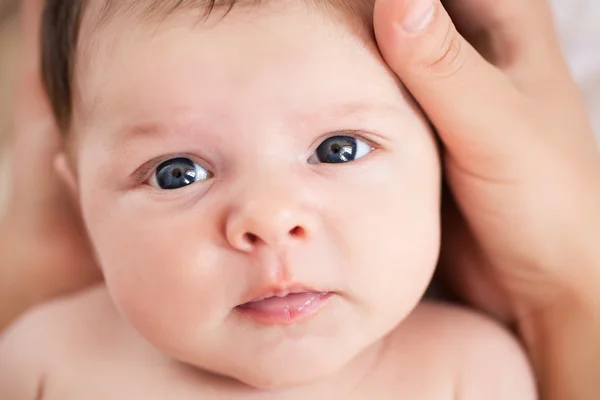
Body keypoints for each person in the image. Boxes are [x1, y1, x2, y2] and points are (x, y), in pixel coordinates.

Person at [0, 0, 597, 398]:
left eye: (338, 149)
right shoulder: (42, 359)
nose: (271, 219)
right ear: (80, 198)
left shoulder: (467, 374)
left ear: (444, 153)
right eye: (177, 173)